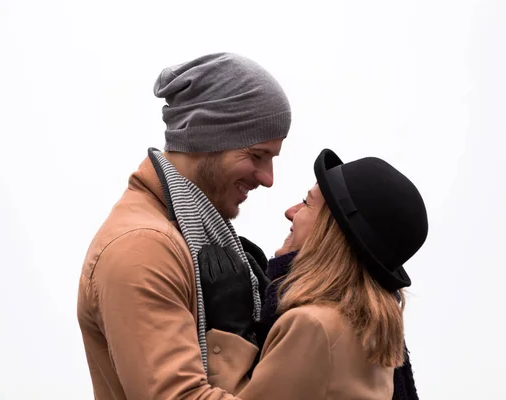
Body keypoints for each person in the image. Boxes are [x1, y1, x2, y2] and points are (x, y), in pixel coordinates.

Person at [76, 52, 292, 399]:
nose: (267, 179)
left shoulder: (181, 236)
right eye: (256, 155)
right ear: (207, 139)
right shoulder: (143, 247)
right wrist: (231, 337)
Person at [201, 148, 429, 399]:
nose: (291, 211)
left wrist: (229, 332)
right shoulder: (371, 330)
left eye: (307, 203)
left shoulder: (314, 326)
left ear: (329, 232)